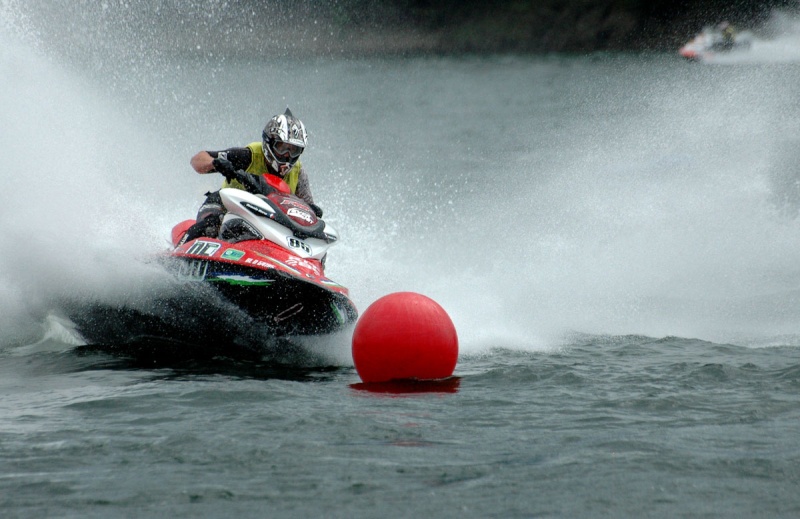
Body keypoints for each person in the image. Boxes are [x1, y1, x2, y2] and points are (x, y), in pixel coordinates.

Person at [180, 108, 321, 244]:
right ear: (269, 143)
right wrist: (216, 163)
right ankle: (176, 255)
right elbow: (197, 160)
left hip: (266, 219)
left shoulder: (298, 172)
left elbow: (308, 209)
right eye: (282, 148)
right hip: (227, 205)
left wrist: (314, 212)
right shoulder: (247, 156)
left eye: (294, 150)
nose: (287, 155)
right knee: (210, 226)